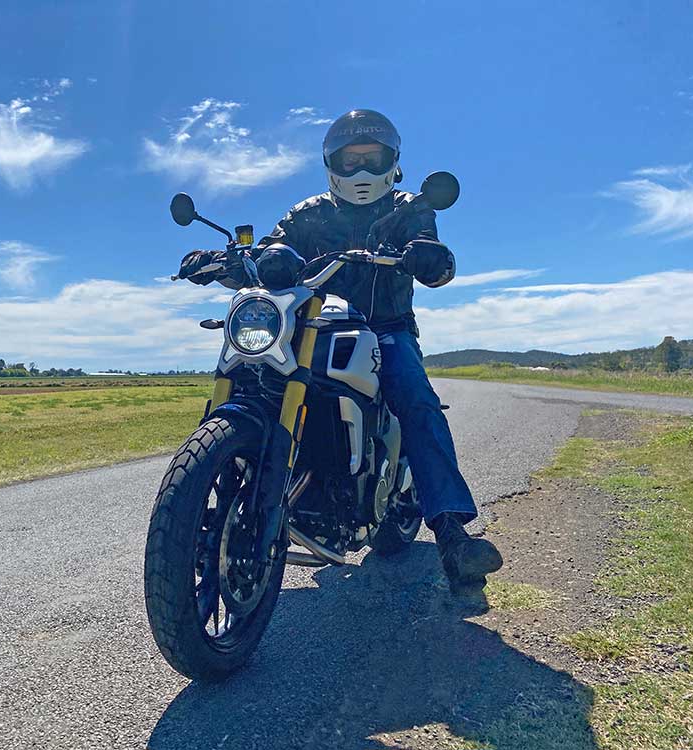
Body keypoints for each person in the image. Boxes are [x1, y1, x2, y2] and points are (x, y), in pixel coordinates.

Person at [180, 109, 502, 593]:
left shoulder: (410, 208)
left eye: (370, 159)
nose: (360, 171)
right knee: (255, 377)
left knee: (416, 400)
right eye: (350, 160)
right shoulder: (307, 214)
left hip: (386, 328)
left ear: (392, 162)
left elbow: (434, 259)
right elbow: (272, 256)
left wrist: (429, 257)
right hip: (310, 327)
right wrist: (225, 262)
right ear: (333, 164)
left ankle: (452, 534)